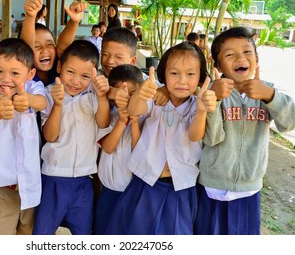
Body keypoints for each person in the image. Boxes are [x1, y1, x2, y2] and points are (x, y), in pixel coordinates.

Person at [105, 41, 217, 235]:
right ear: (163, 74)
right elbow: (134, 110)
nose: (182, 80)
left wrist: (200, 111)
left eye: (190, 74)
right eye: (174, 73)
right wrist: (142, 94)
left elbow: (195, 136)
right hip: (145, 184)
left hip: (180, 189)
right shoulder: (156, 99)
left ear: (200, 77)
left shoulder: (197, 104)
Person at [194, 26, 295, 235]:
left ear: (257, 59)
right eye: (230, 55)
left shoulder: (267, 91)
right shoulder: (211, 91)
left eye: (247, 52)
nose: (240, 58)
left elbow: (290, 122)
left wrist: (270, 95)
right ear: (218, 64)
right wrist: (214, 98)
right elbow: (211, 138)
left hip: (249, 189)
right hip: (212, 188)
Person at [33, 40, 110, 235]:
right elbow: (50, 136)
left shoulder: (93, 96)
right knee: (42, 232)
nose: (76, 81)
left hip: (84, 180)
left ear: (94, 75)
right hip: (53, 178)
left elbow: (103, 123)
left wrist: (102, 97)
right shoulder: (49, 94)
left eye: (85, 76)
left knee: (83, 233)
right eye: (70, 72)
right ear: (59, 67)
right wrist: (58, 105)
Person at [0, 38, 47, 235]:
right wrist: (0, 109)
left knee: (27, 233)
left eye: (15, 73)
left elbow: (42, 102)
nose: (6, 79)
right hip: (3, 187)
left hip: (30, 185)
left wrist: (27, 100)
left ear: (30, 74)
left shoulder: (32, 87)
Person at [93, 64, 145, 235]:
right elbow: (108, 147)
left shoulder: (145, 116)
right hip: (109, 190)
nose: (127, 99)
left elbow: (139, 151)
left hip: (134, 192)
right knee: (104, 231)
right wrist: (122, 121)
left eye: (131, 94)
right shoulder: (108, 114)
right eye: (121, 94)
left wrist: (134, 120)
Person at [20, 0, 88, 87]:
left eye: (49, 44)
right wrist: (30, 16)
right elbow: (26, 47)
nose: (45, 50)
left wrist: (74, 22)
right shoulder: (24, 71)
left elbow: (62, 46)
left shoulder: (58, 66)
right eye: (37, 46)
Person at [101, 27, 168, 106]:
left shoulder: (143, 81)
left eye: (119, 57)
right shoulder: (96, 78)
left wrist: (166, 91)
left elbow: (163, 90)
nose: (110, 61)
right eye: (105, 54)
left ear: (132, 61)